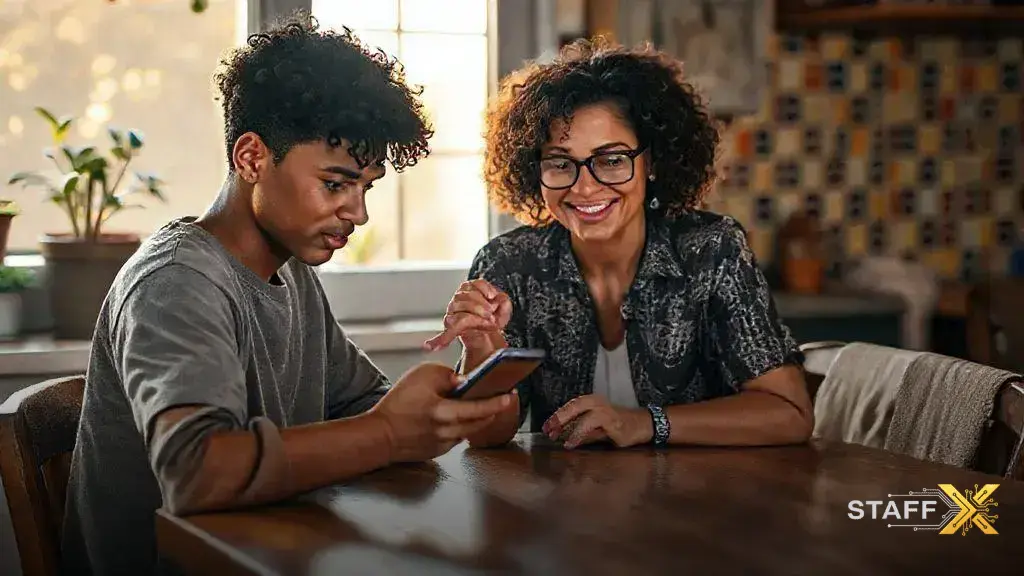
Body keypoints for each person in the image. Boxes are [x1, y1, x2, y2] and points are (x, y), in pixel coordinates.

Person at [60, 15, 514, 576]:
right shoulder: (175, 281)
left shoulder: (292, 273)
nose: (359, 212)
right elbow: (196, 472)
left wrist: (478, 361)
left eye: (365, 187)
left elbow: (367, 414)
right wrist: (392, 432)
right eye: (335, 183)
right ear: (251, 158)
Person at [424, 38, 813, 451]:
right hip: (564, 505)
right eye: (560, 163)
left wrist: (646, 424)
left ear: (653, 161)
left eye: (611, 160)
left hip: (702, 502)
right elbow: (487, 436)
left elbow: (789, 413)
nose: (585, 186)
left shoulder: (711, 251)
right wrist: (484, 351)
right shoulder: (509, 265)